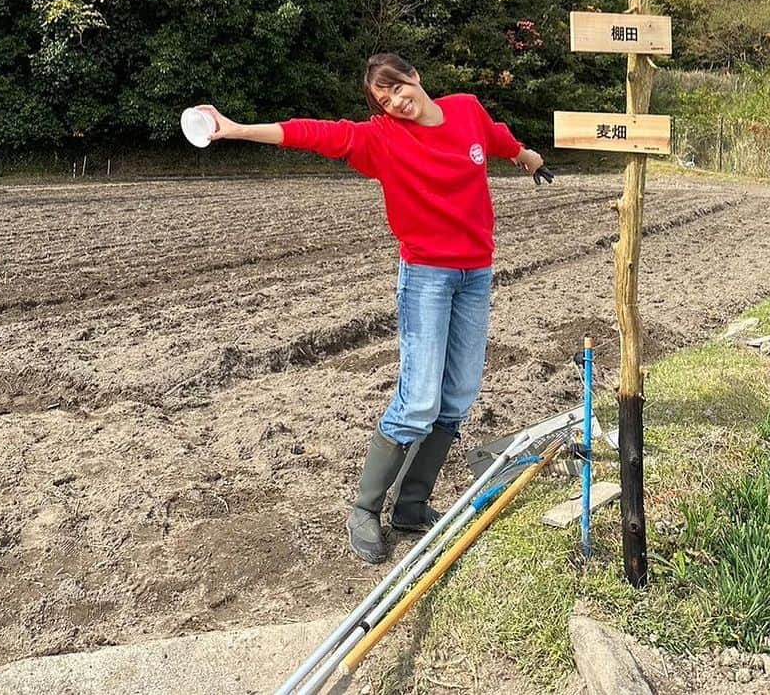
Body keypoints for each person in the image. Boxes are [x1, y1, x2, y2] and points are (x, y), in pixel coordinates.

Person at [194, 52, 550, 564]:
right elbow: (309, 133)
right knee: (420, 400)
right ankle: (364, 509)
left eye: (398, 89)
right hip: (426, 276)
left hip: (476, 274)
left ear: (415, 77)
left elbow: (498, 139)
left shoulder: (466, 109)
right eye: (384, 100)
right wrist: (235, 129)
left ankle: (411, 506)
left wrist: (527, 157)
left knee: (459, 397)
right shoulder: (382, 138)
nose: (397, 103)